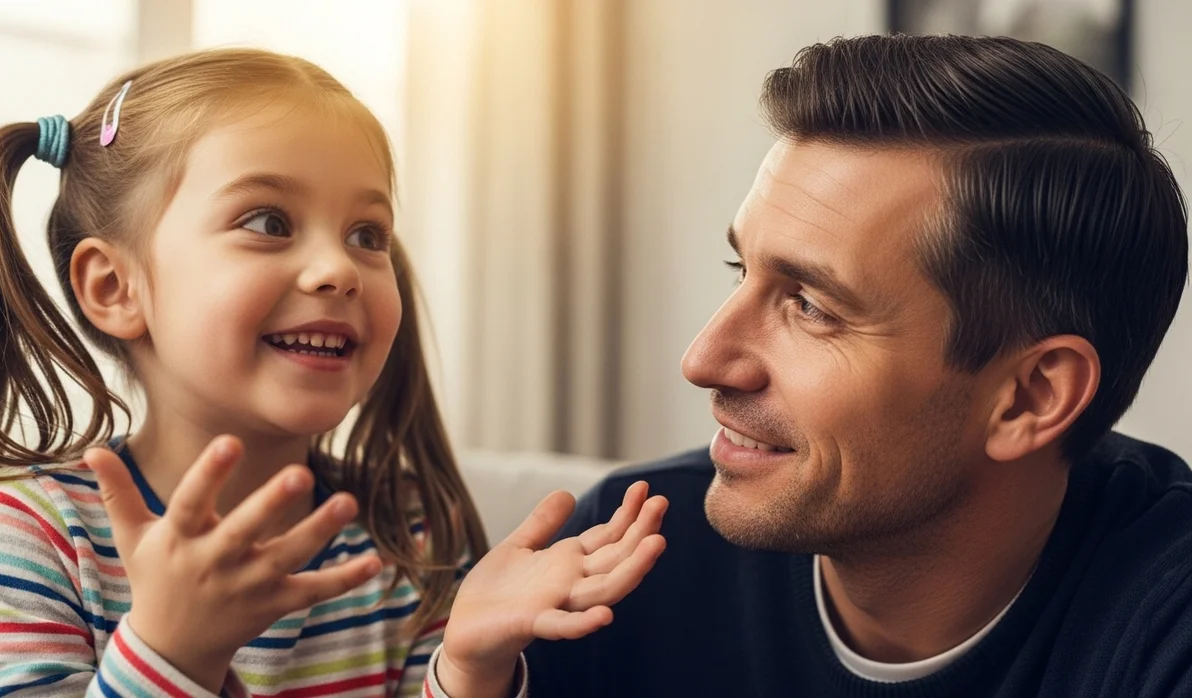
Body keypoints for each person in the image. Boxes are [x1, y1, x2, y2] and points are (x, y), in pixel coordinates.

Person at [442, 34, 1192, 697]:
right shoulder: (629, 559)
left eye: (811, 306)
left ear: (1030, 397)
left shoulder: (1164, 626)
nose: (705, 360)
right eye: (743, 271)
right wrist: (467, 684)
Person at [0, 48, 666, 698]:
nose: (339, 268)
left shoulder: (407, 528)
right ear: (116, 288)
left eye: (366, 233)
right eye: (268, 222)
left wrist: (469, 666)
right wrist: (169, 653)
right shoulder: (30, 532)